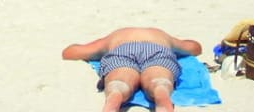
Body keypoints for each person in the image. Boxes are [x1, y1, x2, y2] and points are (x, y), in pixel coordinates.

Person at [62, 27, 202, 112]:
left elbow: (70, 53)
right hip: (157, 48)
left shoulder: (116, 35)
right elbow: (195, 48)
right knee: (160, 82)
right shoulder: (160, 34)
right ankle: (161, 91)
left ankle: (114, 97)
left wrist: (96, 52)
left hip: (124, 48)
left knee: (118, 85)